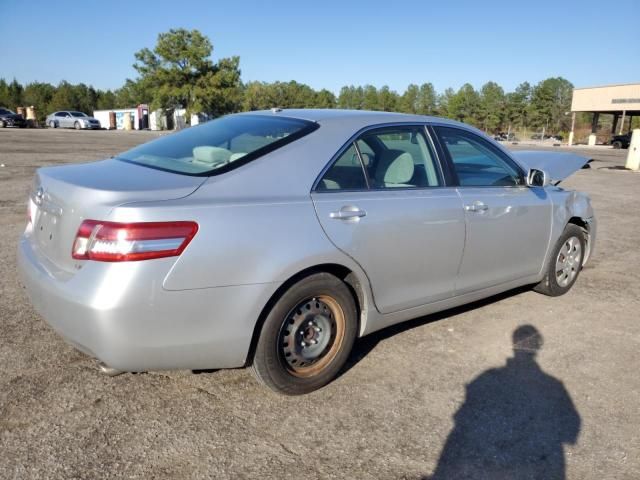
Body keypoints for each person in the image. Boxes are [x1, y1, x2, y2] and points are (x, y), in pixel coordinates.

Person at [428, 325, 580, 480]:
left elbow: (463, 414)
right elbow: (571, 430)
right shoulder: (553, 385)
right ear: (538, 345)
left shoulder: (485, 378)